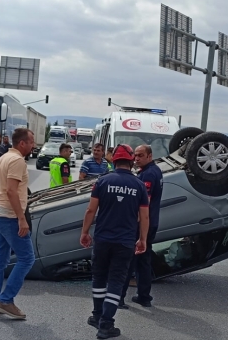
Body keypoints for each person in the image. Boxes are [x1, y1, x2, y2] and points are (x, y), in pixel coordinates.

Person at [80, 144, 149, 339]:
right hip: (125, 242)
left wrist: (85, 232)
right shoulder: (139, 185)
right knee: (116, 282)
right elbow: (144, 216)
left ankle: (97, 316)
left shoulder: (102, 181)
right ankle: (106, 324)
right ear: (130, 161)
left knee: (99, 279)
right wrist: (142, 239)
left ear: (114, 161)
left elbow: (91, 210)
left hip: (102, 239)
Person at [0, 128, 35, 319]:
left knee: (0, 260)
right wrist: (21, 218)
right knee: (27, 258)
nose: (33, 145)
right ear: (22, 143)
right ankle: (6, 300)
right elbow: (12, 191)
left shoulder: (4, 157)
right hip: (9, 217)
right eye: (31, 142)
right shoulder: (17, 161)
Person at [120, 145, 163, 308]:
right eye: (135, 156)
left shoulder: (148, 175)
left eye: (140, 155)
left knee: (128, 260)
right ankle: (144, 296)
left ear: (150, 156)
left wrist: (133, 223)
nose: (136, 159)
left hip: (141, 225)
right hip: (151, 222)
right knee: (143, 261)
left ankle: (119, 298)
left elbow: (144, 203)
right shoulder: (155, 170)